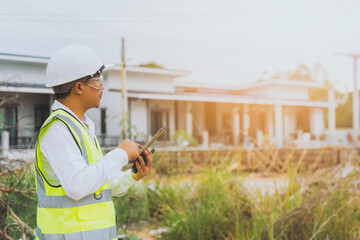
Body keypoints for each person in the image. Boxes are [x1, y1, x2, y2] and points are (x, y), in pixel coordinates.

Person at [34, 45, 153, 240]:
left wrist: (132, 176)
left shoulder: (82, 126)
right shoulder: (58, 130)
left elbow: (98, 186)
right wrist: (121, 154)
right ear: (79, 87)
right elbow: (77, 186)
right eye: (98, 81)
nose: (102, 87)